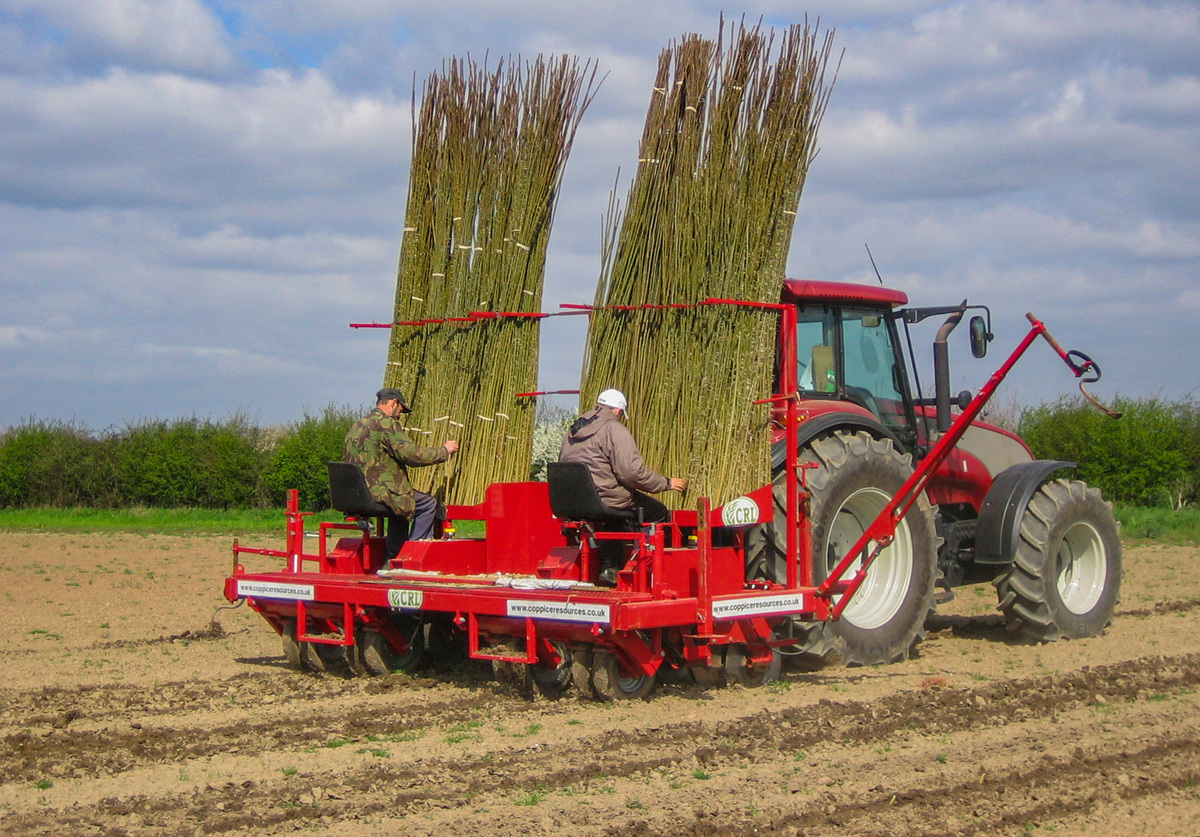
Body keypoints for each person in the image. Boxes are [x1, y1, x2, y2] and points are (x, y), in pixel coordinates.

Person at [559, 388, 686, 584]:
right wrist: (666, 483)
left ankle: (610, 567)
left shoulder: (573, 430)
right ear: (618, 411)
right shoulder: (613, 429)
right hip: (603, 498)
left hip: (573, 501)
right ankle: (650, 570)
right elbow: (631, 473)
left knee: (613, 517)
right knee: (657, 511)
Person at [344, 387, 459, 560]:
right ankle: (411, 555)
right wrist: (444, 450)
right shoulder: (386, 423)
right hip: (379, 492)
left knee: (402, 506)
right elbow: (411, 455)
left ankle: (393, 555)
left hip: (358, 494)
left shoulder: (358, 425)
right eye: (400, 410)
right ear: (394, 403)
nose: (399, 415)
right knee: (427, 504)